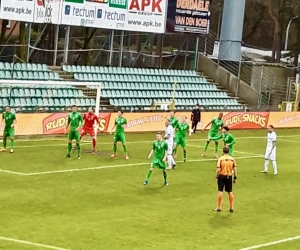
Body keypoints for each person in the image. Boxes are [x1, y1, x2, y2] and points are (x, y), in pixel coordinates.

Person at [214, 147, 237, 213]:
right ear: (228, 151)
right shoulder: (232, 159)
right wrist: (235, 178)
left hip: (222, 176)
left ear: (223, 151)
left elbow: (218, 169)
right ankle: (231, 207)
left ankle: (218, 208)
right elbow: (235, 169)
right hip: (229, 176)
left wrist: (216, 177)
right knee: (230, 191)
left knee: (220, 191)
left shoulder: (221, 159)